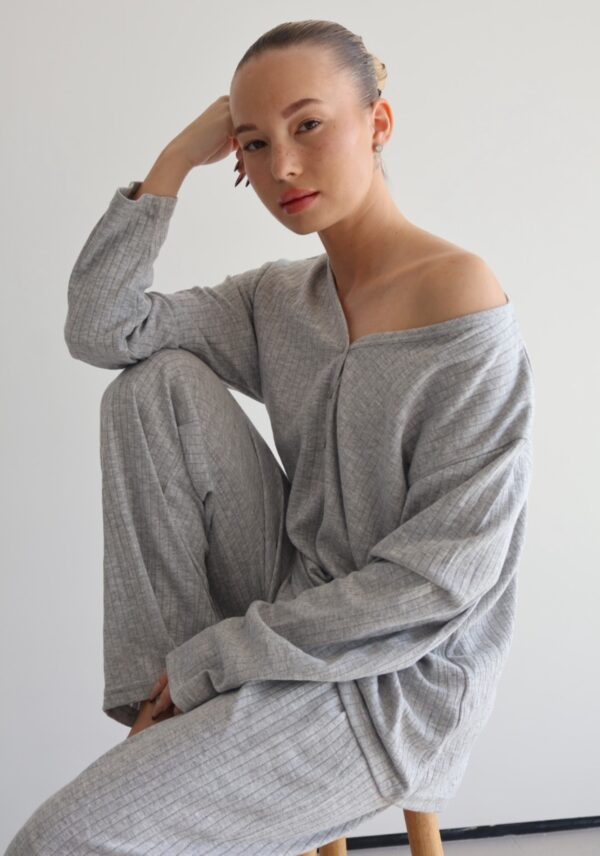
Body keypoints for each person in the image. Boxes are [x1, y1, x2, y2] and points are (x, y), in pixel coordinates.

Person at [5, 18, 534, 856]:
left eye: (308, 125)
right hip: (288, 608)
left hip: (395, 681)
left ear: (378, 123)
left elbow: (437, 584)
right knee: (152, 386)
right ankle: (169, 718)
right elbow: (106, 329)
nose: (281, 164)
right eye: (254, 142)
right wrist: (175, 161)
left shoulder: (460, 300)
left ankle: (180, 711)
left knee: (58, 844)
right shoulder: (279, 301)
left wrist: (218, 655)